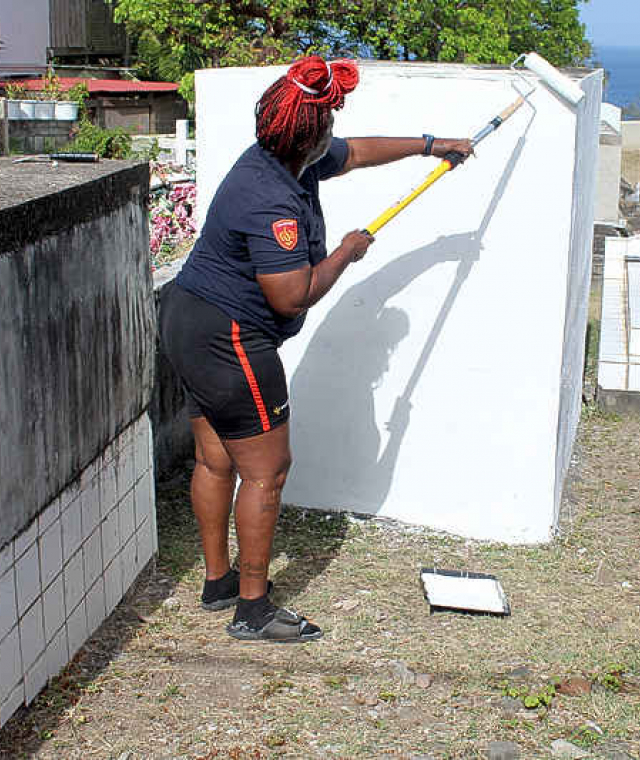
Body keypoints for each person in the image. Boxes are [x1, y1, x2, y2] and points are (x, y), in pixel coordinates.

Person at [160, 56, 473, 643]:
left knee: (215, 458)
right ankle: (252, 611)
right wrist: (347, 252)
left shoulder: (284, 157)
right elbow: (292, 295)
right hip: (229, 338)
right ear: (310, 131)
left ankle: (219, 581)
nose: (335, 128)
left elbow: (355, 153)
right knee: (268, 470)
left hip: (188, 317)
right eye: (329, 118)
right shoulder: (270, 199)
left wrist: (431, 146)